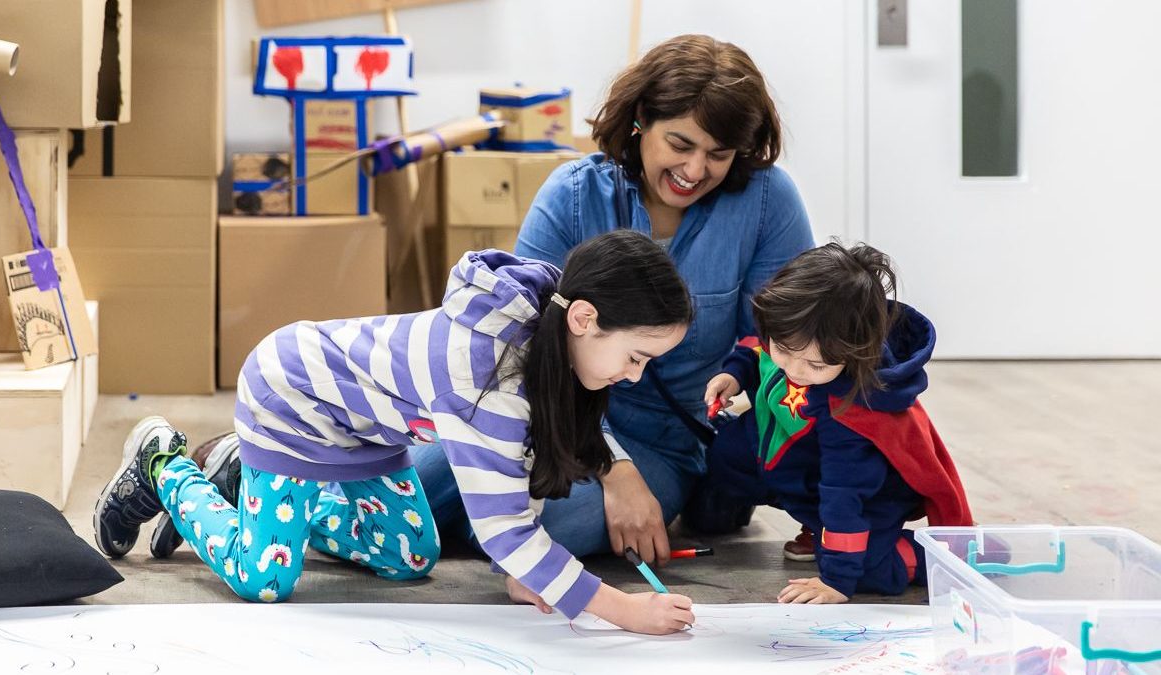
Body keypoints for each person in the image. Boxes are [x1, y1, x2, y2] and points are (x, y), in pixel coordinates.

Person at [93, 230, 697, 635]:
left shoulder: (548, 340)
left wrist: (524, 574)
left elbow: (518, 468)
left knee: (410, 558)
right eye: (636, 356)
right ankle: (164, 465)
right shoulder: (484, 377)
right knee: (265, 578)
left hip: (364, 430)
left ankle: (240, 470)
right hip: (291, 395)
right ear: (586, 319)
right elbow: (503, 528)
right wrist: (623, 611)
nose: (634, 376)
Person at [412, 33, 816, 568]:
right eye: (679, 144)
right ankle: (454, 522)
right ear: (640, 120)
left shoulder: (769, 202)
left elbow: (777, 344)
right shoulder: (572, 195)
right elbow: (519, 344)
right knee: (411, 476)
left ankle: (451, 526)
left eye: (718, 154)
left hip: (663, 442)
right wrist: (611, 465)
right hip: (541, 417)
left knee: (556, 525)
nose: (695, 171)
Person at [702, 242, 973, 603]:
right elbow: (756, 348)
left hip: (865, 494)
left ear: (854, 353)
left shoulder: (851, 413)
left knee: (868, 568)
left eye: (815, 365)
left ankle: (917, 555)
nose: (795, 371)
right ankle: (817, 528)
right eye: (783, 349)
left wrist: (838, 579)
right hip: (794, 458)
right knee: (728, 452)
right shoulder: (788, 333)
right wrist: (735, 374)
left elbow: (843, 496)